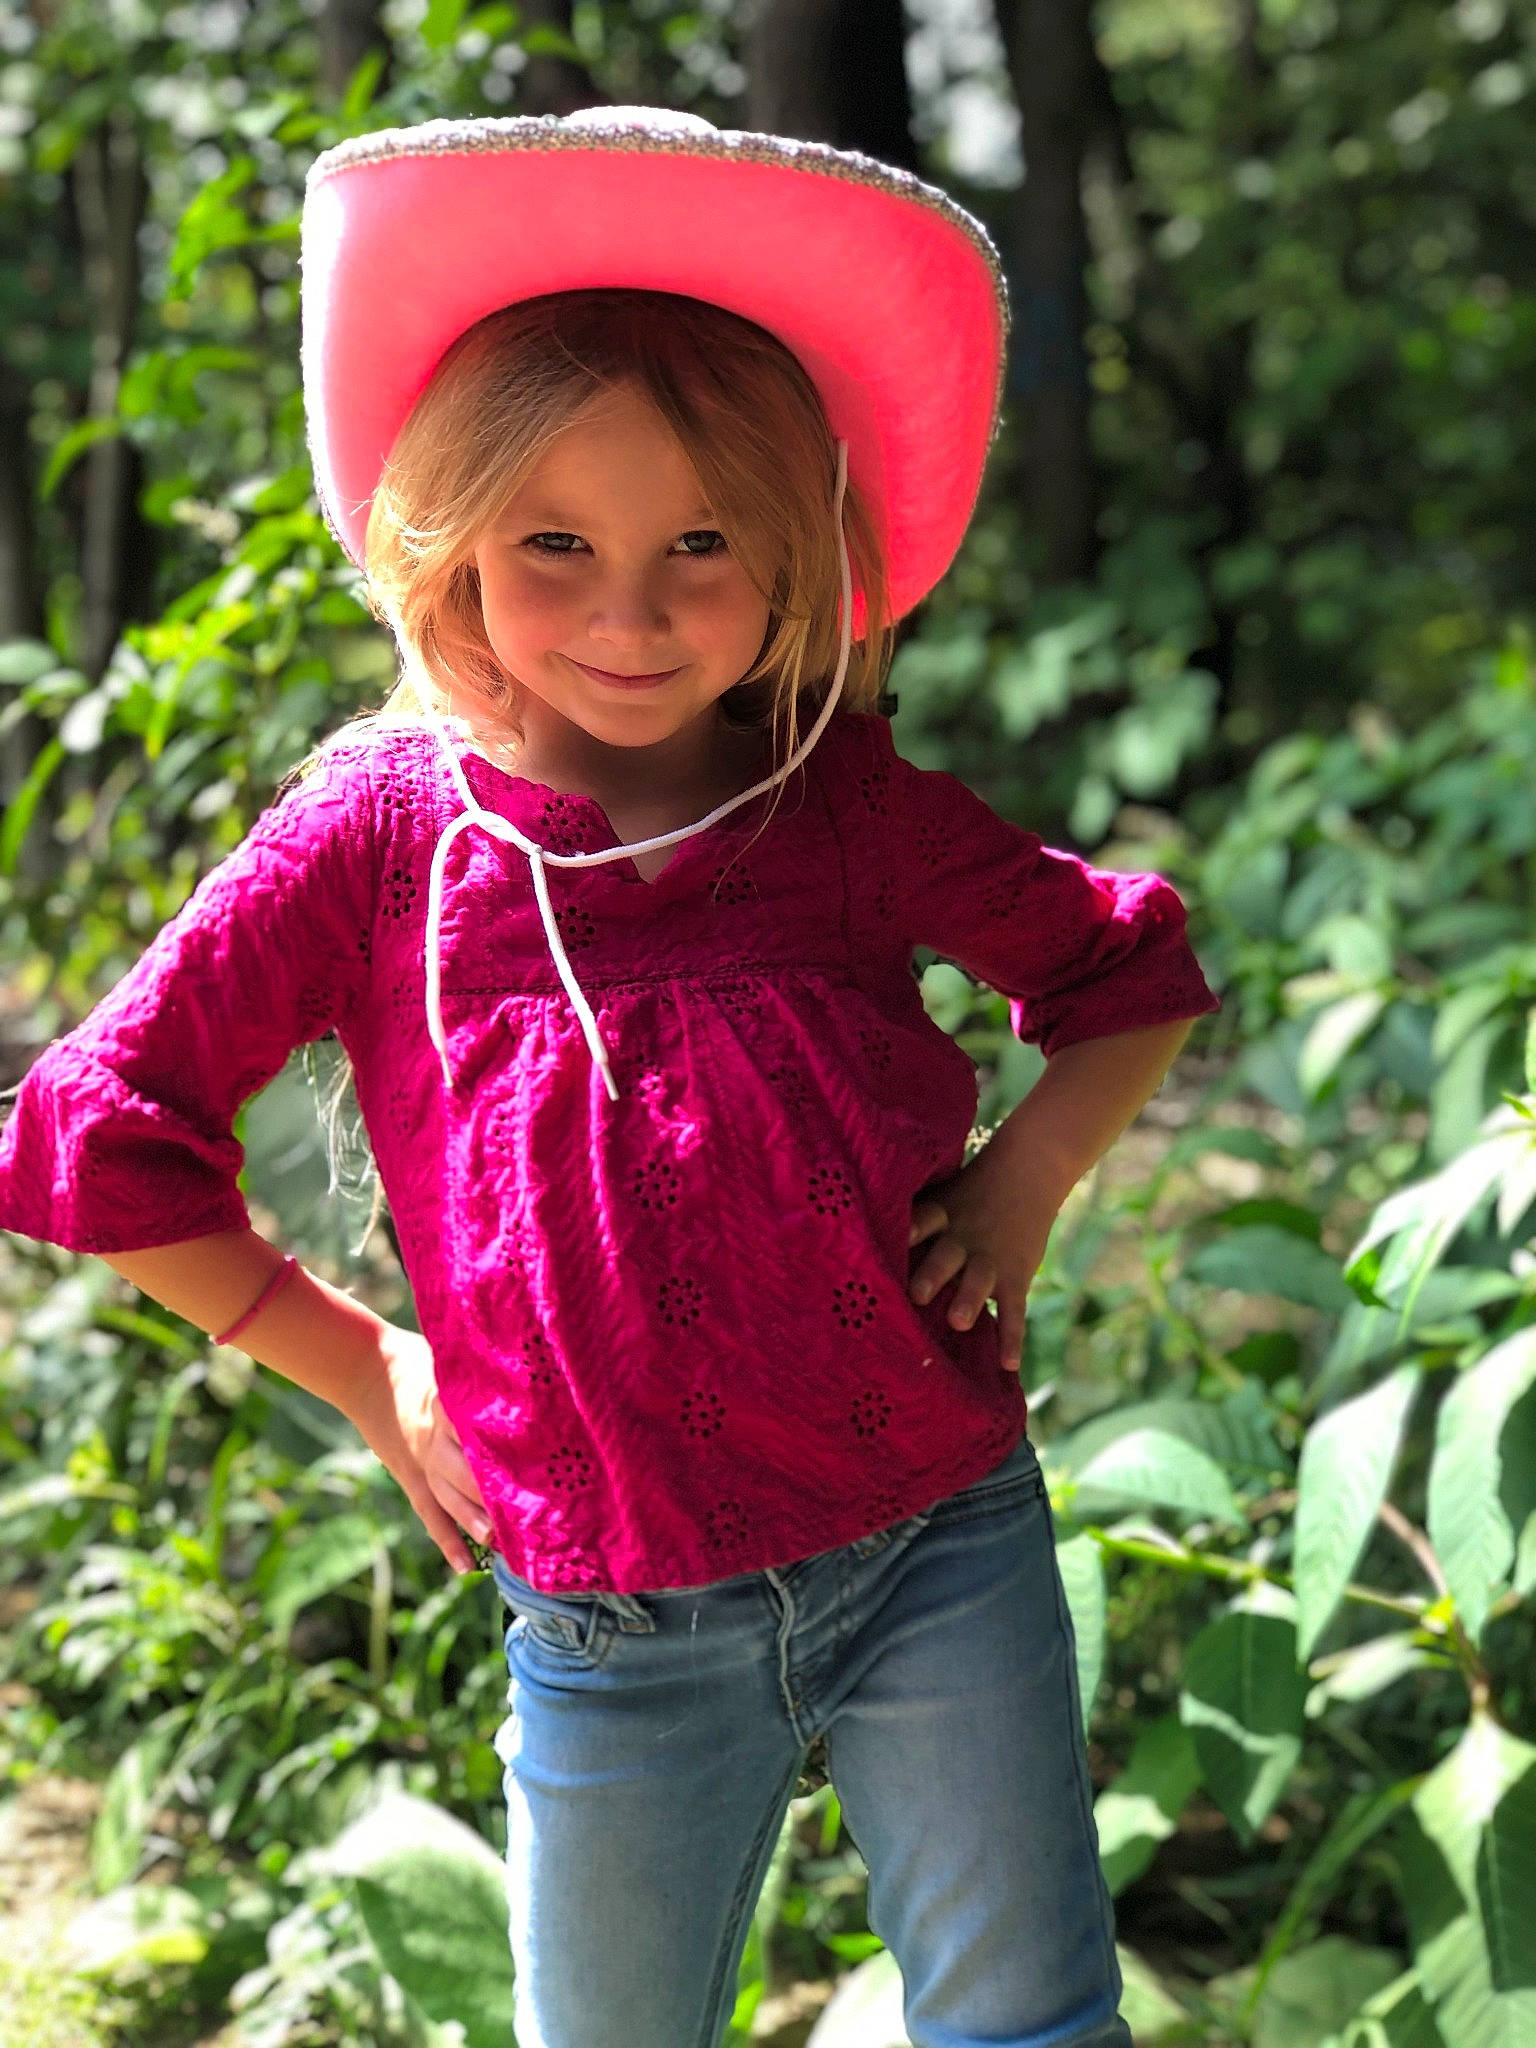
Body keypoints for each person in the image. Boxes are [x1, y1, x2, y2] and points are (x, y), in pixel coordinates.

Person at [0, 105, 1220, 2048]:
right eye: (554, 544)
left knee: (1027, 2017)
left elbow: (1126, 971)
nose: (631, 616)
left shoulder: (834, 809)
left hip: (938, 1532)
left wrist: (1018, 1184)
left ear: (797, 556)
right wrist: (367, 1361)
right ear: (451, 539)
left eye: (700, 547)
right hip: (610, 1615)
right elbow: (98, 1135)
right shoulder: (380, 845)